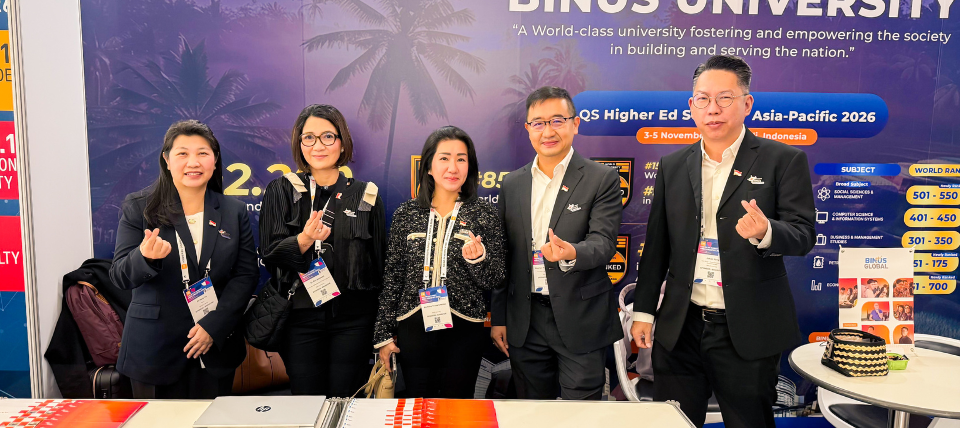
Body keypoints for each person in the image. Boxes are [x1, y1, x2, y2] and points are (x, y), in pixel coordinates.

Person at [630, 55, 816, 428]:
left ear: (747, 103)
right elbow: (657, 248)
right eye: (703, 99)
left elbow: (803, 234)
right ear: (691, 106)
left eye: (724, 98)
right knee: (674, 422)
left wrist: (766, 232)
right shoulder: (673, 165)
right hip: (681, 327)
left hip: (747, 328)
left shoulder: (783, 160)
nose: (712, 109)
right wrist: (644, 312)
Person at [491, 86, 624, 400]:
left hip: (581, 316)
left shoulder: (601, 178)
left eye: (557, 121)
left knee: (582, 413)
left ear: (575, 124)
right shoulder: (512, 183)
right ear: (528, 129)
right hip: (526, 320)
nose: (547, 131)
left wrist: (572, 252)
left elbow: (604, 242)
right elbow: (504, 255)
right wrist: (500, 318)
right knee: (532, 410)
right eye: (538, 123)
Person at [110, 120, 259, 399]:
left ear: (215, 160)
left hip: (215, 347)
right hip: (154, 350)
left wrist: (214, 326)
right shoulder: (139, 207)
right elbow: (119, 275)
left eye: (202, 153)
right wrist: (144, 257)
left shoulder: (233, 211)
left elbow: (246, 275)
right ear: (167, 160)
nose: (193, 162)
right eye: (182, 153)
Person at [258, 104, 386, 396]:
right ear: (299, 143)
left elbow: (380, 267)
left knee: (346, 400)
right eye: (309, 137)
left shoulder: (366, 195)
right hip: (299, 319)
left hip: (354, 320)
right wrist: (303, 240)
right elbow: (270, 255)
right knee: (307, 402)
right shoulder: (280, 190)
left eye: (328, 136)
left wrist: (383, 328)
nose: (318, 146)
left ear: (342, 143)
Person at [375, 126, 505, 398]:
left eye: (461, 159)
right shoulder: (406, 213)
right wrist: (383, 335)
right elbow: (393, 278)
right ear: (429, 166)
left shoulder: (484, 214)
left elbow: (495, 279)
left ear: (470, 166)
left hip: (466, 328)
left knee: (457, 406)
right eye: (444, 158)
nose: (453, 167)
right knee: (418, 402)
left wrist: (477, 259)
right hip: (413, 324)